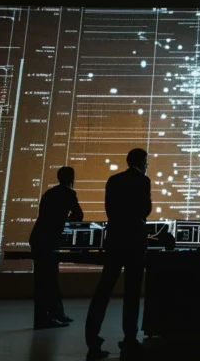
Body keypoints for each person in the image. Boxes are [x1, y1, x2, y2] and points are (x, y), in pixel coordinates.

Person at [86, 148, 153, 360]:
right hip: (134, 243)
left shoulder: (113, 180)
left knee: (103, 291)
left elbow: (109, 210)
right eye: (146, 161)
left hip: (115, 241)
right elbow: (145, 211)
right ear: (142, 162)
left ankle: (92, 339)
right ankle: (129, 340)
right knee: (132, 294)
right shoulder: (143, 181)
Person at [29, 166, 84, 329]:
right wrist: (66, 222)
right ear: (71, 178)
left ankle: (55, 314)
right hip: (49, 240)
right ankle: (45, 318)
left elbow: (44, 215)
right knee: (48, 279)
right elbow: (78, 215)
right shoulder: (69, 193)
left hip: (39, 238)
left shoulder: (49, 193)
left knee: (45, 279)